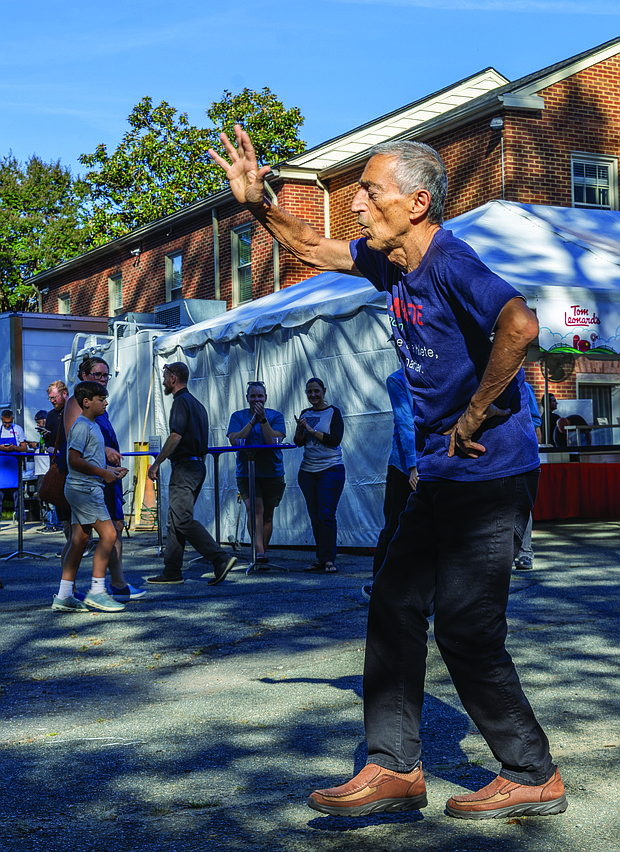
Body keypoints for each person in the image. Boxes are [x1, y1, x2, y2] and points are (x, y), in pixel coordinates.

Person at [210, 126, 566, 820]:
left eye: (370, 192)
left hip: (491, 471)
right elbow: (307, 245)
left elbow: (520, 326)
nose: (358, 207)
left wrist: (473, 414)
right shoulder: (388, 263)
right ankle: (394, 766)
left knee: (466, 625)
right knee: (394, 602)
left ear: (418, 202)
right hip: (437, 471)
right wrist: (257, 203)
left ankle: (532, 773)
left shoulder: (451, 264)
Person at [147, 362, 237, 586]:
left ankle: (219, 558)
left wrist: (156, 463)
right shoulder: (197, 404)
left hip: (185, 468)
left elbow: (176, 436)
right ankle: (172, 571)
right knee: (175, 520)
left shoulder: (180, 402)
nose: (164, 380)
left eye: (165, 376)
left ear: (174, 378)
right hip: (197, 466)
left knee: (182, 519)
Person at [64, 357, 145, 602]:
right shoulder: (77, 405)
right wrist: (105, 461)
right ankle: (92, 591)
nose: (102, 379)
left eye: (106, 375)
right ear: (84, 375)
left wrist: (109, 463)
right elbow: (74, 449)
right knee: (90, 536)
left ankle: (110, 585)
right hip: (87, 482)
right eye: (98, 374)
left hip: (102, 477)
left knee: (110, 530)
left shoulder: (99, 407)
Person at [52, 381, 128, 613]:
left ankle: (64, 596)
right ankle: (97, 591)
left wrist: (110, 470)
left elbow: (89, 458)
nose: (105, 403)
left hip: (85, 488)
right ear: (86, 402)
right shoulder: (82, 425)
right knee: (109, 535)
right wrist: (103, 472)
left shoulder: (93, 425)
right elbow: (73, 460)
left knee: (80, 541)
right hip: (85, 490)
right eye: (101, 399)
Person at [364, 368, 417, 598]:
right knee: (394, 525)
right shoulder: (397, 379)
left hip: (432, 460)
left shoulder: (434, 370)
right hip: (404, 465)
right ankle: (380, 585)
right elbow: (405, 423)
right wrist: (413, 466)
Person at [227, 381, 286, 563]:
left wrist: (262, 420)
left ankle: (261, 553)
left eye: (260, 396)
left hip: (272, 472)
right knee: (254, 509)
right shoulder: (238, 417)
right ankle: (259, 552)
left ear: (266, 398)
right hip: (247, 472)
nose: (256, 399)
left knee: (267, 514)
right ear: (247, 398)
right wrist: (252, 422)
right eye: (253, 396)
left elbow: (272, 441)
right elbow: (235, 441)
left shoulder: (276, 416)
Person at [294, 377, 345, 574]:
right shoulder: (305, 413)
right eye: (309, 392)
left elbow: (335, 440)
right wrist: (300, 430)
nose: (313, 395)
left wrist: (311, 430)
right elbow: (298, 442)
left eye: (317, 391)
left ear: (324, 390)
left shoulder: (333, 412)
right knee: (315, 517)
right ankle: (321, 558)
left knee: (326, 515)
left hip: (330, 469)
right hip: (307, 471)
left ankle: (329, 559)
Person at [514, 382, 542, 571]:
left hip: (520, 451)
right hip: (495, 454)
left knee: (522, 503)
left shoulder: (525, 386)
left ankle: (525, 553)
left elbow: (536, 421)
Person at [0, 409, 27, 518]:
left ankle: (22, 521)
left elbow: (24, 448)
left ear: (13, 420)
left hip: (14, 469)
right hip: (1, 469)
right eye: (4, 422)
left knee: (18, 497)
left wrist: (14, 448)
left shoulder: (18, 429)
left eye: (9, 422)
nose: (7, 425)